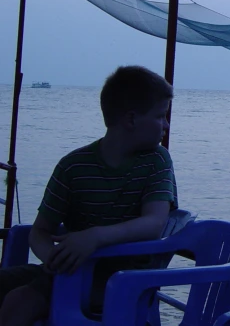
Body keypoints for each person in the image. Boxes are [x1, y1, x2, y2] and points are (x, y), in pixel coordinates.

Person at [0, 65, 177, 326]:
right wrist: (54, 258)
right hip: (68, 271)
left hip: (121, 281)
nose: (166, 125)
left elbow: (154, 223)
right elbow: (39, 232)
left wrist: (94, 238)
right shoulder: (73, 166)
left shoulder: (157, 161)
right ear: (130, 119)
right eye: (160, 116)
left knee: (20, 302)